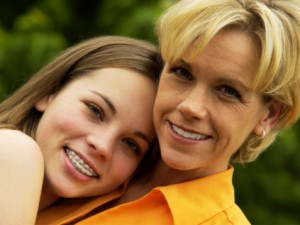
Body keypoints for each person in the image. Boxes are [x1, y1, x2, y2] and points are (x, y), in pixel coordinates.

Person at [33, 0, 299, 224]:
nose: (190, 107)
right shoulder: (95, 162)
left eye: (228, 91)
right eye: (182, 72)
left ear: (269, 115)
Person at [0, 35, 162, 225]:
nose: (103, 146)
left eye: (131, 144)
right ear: (50, 92)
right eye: (95, 110)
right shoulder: (14, 149)